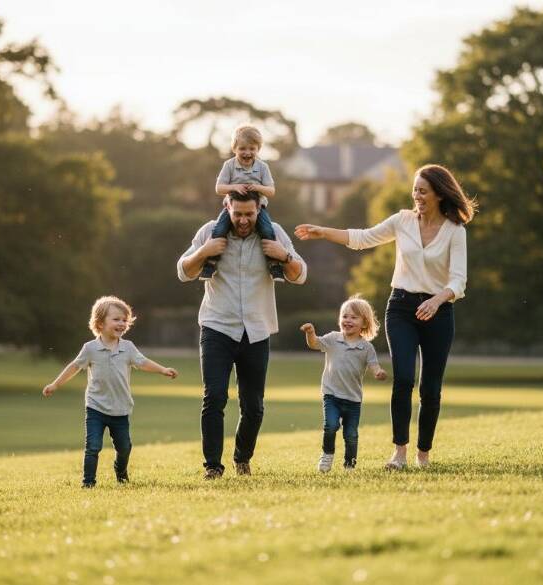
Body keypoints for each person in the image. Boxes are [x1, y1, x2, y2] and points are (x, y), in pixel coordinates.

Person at [295, 164, 476, 470]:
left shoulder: (455, 231)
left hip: (439, 310)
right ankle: (400, 452)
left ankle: (423, 455)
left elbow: (458, 280)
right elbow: (363, 238)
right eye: (414, 189)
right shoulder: (402, 220)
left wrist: (437, 300)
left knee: (431, 387)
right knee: (403, 379)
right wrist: (324, 232)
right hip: (402, 308)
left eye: (422, 190)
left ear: (439, 194)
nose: (416, 195)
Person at [178, 190, 307, 479]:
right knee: (214, 397)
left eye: (250, 214)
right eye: (238, 214)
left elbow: (300, 275)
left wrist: (284, 255)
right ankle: (212, 466)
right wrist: (204, 252)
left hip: (257, 330)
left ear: (259, 208)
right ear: (227, 207)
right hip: (217, 326)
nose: (244, 220)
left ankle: (242, 457)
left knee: (254, 406)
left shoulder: (273, 233)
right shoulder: (210, 232)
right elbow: (183, 272)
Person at [42, 296, 178, 487]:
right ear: (100, 322)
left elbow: (143, 362)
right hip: (96, 407)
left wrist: (163, 370)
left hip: (120, 409)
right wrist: (55, 384)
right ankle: (88, 483)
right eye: (116, 319)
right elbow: (74, 367)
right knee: (93, 447)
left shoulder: (128, 348)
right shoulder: (90, 348)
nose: (122, 323)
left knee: (124, 447)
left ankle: (120, 472)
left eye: (124, 320)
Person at [300, 295, 387, 472]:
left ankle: (350, 464)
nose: (347, 320)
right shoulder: (333, 339)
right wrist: (310, 333)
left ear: (364, 323)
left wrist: (378, 372)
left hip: (353, 399)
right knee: (330, 425)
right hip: (331, 394)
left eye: (354, 317)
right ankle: (327, 454)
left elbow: (373, 365)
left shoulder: (366, 347)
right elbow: (315, 344)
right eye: (345, 316)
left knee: (351, 434)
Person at [200, 125, 285, 282]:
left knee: (267, 229)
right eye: (242, 149)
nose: (247, 153)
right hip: (232, 208)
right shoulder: (229, 165)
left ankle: (275, 265)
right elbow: (219, 188)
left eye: (252, 148)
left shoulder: (262, 167)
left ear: (258, 149)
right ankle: (210, 263)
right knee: (219, 228)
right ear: (234, 149)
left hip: (257, 209)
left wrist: (257, 187)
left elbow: (271, 191)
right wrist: (234, 187)